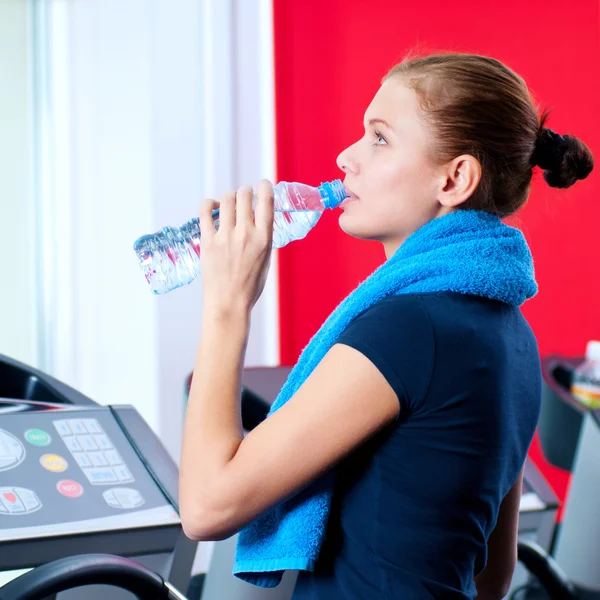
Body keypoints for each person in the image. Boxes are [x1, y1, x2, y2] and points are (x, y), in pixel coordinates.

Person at [178, 52, 594, 599]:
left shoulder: (409, 331)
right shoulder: (511, 335)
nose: (346, 157)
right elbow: (492, 577)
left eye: (379, 138)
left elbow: (208, 506)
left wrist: (226, 304)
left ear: (455, 178)